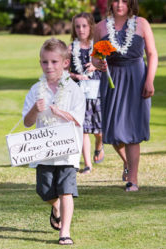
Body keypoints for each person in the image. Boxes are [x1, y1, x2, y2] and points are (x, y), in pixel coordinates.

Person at [22, 38, 85, 245]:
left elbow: (79, 118)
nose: (49, 66)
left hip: (67, 150)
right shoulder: (35, 90)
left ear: (65, 63)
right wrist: (34, 110)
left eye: (54, 62)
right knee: (45, 190)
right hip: (44, 151)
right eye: (45, 62)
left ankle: (64, 233)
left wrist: (62, 112)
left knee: (66, 189)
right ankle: (54, 206)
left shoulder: (73, 89)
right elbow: (27, 123)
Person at [92, 0, 158, 191]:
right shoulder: (100, 27)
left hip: (137, 78)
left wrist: (149, 80)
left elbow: (152, 54)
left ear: (130, 3)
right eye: (115, 0)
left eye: (124, 0)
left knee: (133, 131)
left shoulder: (142, 24)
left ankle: (133, 179)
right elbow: (95, 57)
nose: (119, 4)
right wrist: (99, 63)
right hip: (112, 80)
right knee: (114, 132)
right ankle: (127, 162)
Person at [68, 12, 104, 175]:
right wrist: (76, 76)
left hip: (96, 90)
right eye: (77, 26)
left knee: (99, 130)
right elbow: (64, 71)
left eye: (84, 26)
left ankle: (99, 144)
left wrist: (96, 66)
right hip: (78, 92)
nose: (81, 29)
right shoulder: (70, 48)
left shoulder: (98, 46)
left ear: (91, 27)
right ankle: (88, 164)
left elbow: (108, 65)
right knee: (82, 128)